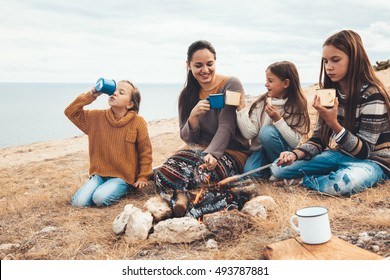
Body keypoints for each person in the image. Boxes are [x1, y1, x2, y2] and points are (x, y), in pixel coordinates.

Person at [270, 30, 390, 196]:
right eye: (325, 61)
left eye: (335, 60)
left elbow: (365, 151)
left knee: (342, 184)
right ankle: (321, 176)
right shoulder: (330, 93)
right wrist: (295, 154)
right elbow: (319, 139)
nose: (328, 67)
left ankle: (303, 181)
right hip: (340, 155)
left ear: (354, 59)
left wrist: (334, 123)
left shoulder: (372, 94)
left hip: (373, 161)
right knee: (277, 167)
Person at [154, 40, 250, 216]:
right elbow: (187, 138)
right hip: (199, 151)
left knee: (201, 174)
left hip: (231, 152)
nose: (205, 70)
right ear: (189, 65)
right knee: (164, 172)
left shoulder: (231, 84)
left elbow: (226, 126)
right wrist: (193, 117)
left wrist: (213, 154)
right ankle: (187, 196)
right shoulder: (186, 94)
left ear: (215, 61)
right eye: (198, 65)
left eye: (209, 64)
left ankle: (184, 199)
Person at [64, 80, 153, 207]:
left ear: (130, 104)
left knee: (99, 198)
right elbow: (70, 112)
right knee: (78, 203)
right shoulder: (95, 118)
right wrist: (91, 95)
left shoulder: (138, 122)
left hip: (123, 177)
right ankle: (96, 190)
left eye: (121, 92)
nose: (114, 93)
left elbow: (145, 152)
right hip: (99, 174)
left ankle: (125, 189)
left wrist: (143, 177)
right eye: (113, 90)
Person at [236, 61, 310, 178]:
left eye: (270, 81)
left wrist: (278, 119)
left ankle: (282, 169)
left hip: (283, 151)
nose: (266, 84)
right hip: (260, 150)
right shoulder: (261, 104)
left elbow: (295, 141)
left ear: (286, 83)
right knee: (249, 173)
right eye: (266, 81)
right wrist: (241, 111)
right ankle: (271, 171)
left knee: (267, 132)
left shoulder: (296, 106)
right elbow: (249, 133)